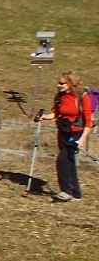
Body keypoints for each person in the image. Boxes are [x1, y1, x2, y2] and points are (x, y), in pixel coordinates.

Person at [37, 71, 92, 202]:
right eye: (58, 83)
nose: (59, 85)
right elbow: (56, 113)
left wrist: (83, 139)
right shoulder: (59, 97)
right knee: (69, 161)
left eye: (62, 83)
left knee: (62, 160)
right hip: (62, 131)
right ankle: (75, 193)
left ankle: (66, 191)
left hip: (76, 133)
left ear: (70, 83)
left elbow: (88, 120)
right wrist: (44, 117)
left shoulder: (82, 97)